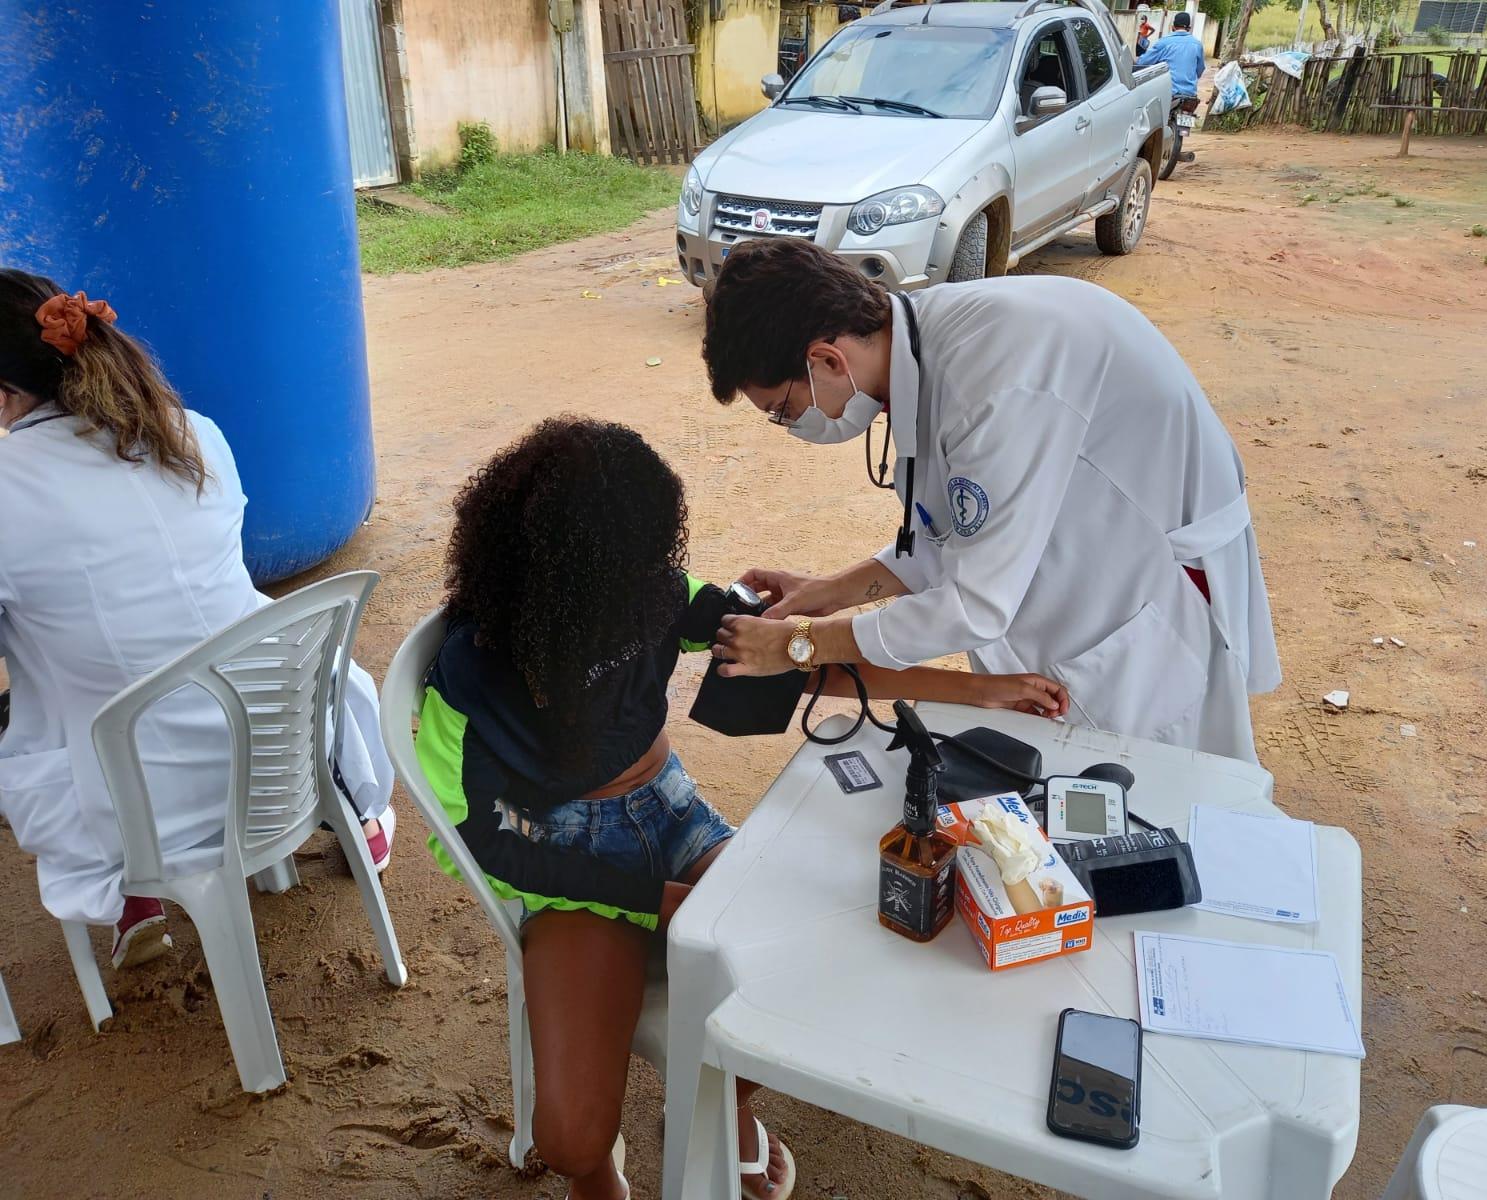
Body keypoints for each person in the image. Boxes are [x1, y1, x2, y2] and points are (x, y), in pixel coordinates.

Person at [414, 417, 1064, 1200]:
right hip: (568, 862)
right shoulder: (469, 677)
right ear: (561, 578)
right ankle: (599, 1173)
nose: (657, 586)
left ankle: (727, 1104)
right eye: (631, 576)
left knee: (811, 974)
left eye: (656, 563)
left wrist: (979, 689)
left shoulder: (653, 592)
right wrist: (647, 901)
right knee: (570, 1139)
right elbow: (477, 845)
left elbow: (803, 662)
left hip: (671, 812)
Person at [701, 239, 1281, 764]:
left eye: (783, 408)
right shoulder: (925, 344)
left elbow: (975, 604)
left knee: (1160, 789)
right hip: (1083, 553)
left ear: (827, 360)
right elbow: (946, 533)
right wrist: (828, 591)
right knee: (1081, 772)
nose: (793, 424)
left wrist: (801, 645)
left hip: (1147, 584)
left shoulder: (999, 376)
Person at [0, 269, 397, 970]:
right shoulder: (193, 433)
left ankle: (127, 892)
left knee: (38, 697)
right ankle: (357, 813)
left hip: (150, 799)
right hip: (283, 751)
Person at [1137, 10, 1207, 100]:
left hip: (1168, 94)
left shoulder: (1163, 42)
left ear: (1173, 27)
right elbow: (1200, 69)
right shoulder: (1197, 44)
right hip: (1190, 95)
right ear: (1189, 28)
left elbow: (1142, 62)